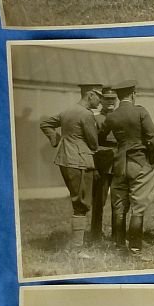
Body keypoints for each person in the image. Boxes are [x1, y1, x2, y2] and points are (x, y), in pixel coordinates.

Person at [99, 80, 154, 258]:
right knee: (138, 207)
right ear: (133, 94)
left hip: (119, 164)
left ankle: (119, 246)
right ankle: (135, 249)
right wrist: (152, 158)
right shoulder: (140, 111)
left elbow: (100, 137)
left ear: (118, 96)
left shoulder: (112, 116)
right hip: (140, 163)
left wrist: (119, 146)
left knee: (119, 207)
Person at [39, 82, 102, 253]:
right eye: (99, 97)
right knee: (81, 203)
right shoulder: (87, 115)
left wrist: (56, 139)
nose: (101, 101)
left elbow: (45, 123)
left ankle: (77, 246)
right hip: (80, 162)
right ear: (90, 95)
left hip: (65, 160)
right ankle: (77, 249)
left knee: (78, 202)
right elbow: (93, 143)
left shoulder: (67, 111)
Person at [91, 87, 117, 243]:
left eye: (113, 98)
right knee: (99, 200)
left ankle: (117, 234)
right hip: (102, 163)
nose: (110, 102)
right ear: (100, 100)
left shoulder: (120, 117)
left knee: (118, 201)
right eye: (107, 99)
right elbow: (93, 142)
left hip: (119, 163)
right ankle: (95, 234)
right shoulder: (95, 118)